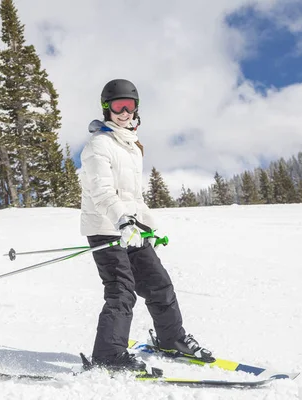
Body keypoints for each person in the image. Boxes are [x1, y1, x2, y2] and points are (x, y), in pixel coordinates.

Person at [79, 79, 212, 371]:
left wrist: (145, 225)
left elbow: (133, 196)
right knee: (121, 290)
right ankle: (108, 355)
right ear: (106, 109)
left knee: (158, 284)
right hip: (105, 228)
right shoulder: (98, 146)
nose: (125, 112)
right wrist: (121, 220)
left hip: (132, 230)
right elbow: (102, 192)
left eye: (130, 106)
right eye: (118, 106)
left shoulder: (131, 147)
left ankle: (171, 340)